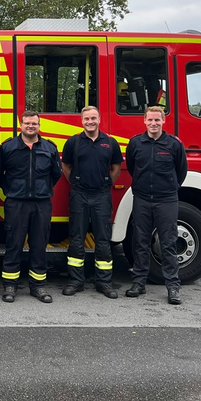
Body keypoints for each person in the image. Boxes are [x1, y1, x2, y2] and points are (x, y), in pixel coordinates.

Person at [125, 106, 187, 305]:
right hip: (142, 199)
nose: (153, 124)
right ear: (144, 121)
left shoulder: (174, 144)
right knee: (140, 242)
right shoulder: (136, 143)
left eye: (157, 120)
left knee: (168, 244)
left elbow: (181, 171)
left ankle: (173, 288)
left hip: (166, 200)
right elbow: (132, 167)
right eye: (150, 120)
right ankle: (139, 283)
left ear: (163, 121)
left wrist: (170, 188)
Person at [0, 110, 62, 304]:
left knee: (39, 245)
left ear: (39, 125)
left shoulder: (49, 148)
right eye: (27, 123)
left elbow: (56, 174)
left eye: (34, 123)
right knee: (14, 244)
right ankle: (10, 286)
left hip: (41, 203)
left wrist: (42, 189)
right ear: (21, 125)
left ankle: (38, 286)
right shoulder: (8, 147)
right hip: (16, 203)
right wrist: (12, 189)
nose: (30, 126)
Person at [60, 106, 123, 298]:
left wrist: (105, 184)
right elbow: (65, 166)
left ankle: (104, 282)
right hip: (79, 194)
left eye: (93, 118)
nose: (90, 122)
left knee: (103, 240)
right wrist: (76, 183)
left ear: (99, 119)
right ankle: (75, 281)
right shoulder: (73, 142)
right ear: (82, 121)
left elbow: (116, 168)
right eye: (86, 118)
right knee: (77, 239)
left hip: (102, 195)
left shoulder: (110, 143)